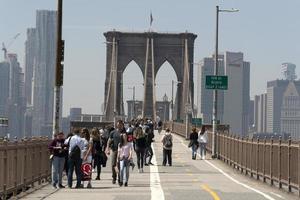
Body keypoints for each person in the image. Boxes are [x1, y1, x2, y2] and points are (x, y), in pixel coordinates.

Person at [106, 120, 124, 184]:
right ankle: (114, 177)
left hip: (122, 151)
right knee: (113, 164)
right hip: (114, 150)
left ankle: (120, 178)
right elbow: (109, 140)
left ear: (122, 125)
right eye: (118, 124)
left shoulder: (125, 132)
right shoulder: (113, 132)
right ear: (116, 125)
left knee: (120, 165)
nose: (119, 126)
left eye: (121, 125)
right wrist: (107, 148)